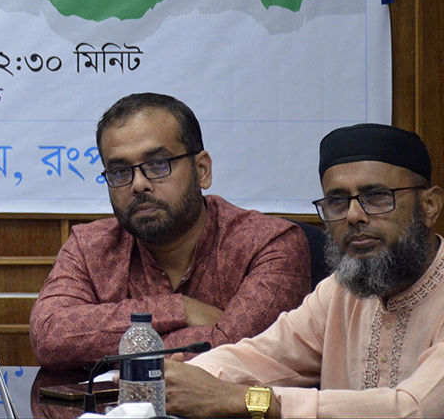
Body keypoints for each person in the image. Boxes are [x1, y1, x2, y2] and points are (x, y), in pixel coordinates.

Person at [165, 123, 444, 418]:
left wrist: (250, 401)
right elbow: (260, 357)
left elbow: (414, 409)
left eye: (376, 197)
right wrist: (186, 379)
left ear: (429, 205)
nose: (353, 215)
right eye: (337, 202)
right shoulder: (340, 291)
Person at [29, 93, 311, 369]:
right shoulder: (89, 247)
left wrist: (106, 346)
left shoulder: (268, 244)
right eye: (120, 172)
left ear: (202, 170)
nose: (138, 184)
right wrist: (180, 309)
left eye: (157, 165)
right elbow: (49, 336)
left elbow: (234, 353)